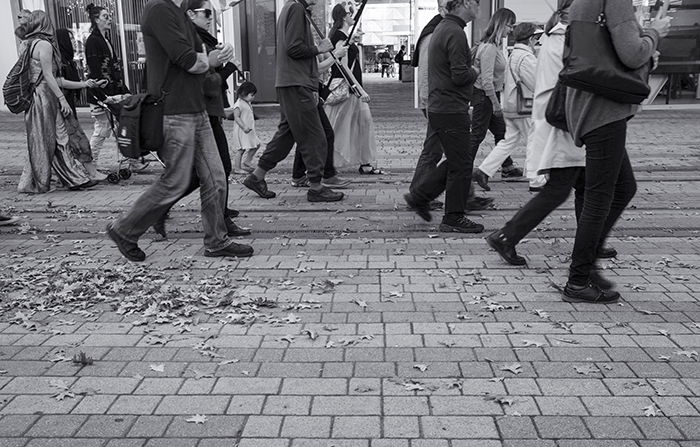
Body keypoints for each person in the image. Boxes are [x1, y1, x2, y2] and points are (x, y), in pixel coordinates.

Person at [107, 0, 253, 261]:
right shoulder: (159, 10)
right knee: (176, 181)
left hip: (196, 109)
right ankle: (125, 229)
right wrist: (212, 59)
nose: (208, 16)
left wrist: (214, 60)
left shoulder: (177, 13)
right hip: (174, 111)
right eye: (206, 13)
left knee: (217, 178)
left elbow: (199, 62)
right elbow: (187, 60)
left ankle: (216, 241)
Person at [486, 0, 619, 269]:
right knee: (559, 190)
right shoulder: (562, 38)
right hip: (565, 123)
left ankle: (590, 241)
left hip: (568, 123)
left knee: (580, 186)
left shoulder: (562, 36)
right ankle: (506, 235)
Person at [561, 0, 670, 303]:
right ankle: (578, 279)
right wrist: (654, 33)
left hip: (589, 104)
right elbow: (632, 53)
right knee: (600, 197)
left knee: (624, 187)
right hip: (603, 109)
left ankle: (589, 264)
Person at [152, 0, 249, 239]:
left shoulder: (202, 37)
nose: (210, 17)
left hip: (204, 110)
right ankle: (217, 228)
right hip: (199, 111)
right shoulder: (192, 38)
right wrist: (228, 65)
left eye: (211, 13)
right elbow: (205, 80)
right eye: (206, 12)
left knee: (203, 173)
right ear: (190, 14)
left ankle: (214, 221)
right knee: (218, 169)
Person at [242, 0, 345, 202]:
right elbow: (294, 48)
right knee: (316, 136)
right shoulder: (296, 8)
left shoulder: (291, 7)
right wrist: (319, 48)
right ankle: (316, 187)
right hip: (297, 84)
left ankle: (257, 176)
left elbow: (292, 48)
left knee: (286, 135)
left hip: (292, 83)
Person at [404, 0, 483, 233]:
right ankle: (453, 217)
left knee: (457, 159)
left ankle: (420, 195)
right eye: (476, 3)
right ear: (465, 3)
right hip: (451, 107)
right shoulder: (455, 32)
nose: (478, 7)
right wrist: (475, 70)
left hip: (442, 105)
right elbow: (459, 75)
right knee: (462, 164)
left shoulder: (443, 28)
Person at [17, 11, 99, 194]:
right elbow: (49, 76)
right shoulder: (44, 45)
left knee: (43, 139)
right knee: (52, 138)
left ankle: (71, 178)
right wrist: (62, 99)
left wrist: (83, 84)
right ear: (45, 24)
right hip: (45, 97)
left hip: (35, 97)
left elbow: (43, 77)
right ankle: (62, 179)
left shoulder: (25, 44)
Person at [472, 23, 545, 192]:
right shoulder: (526, 57)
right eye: (536, 38)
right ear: (531, 39)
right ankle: (536, 180)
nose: (538, 42)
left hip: (513, 106)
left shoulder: (514, 54)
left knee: (508, 141)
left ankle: (484, 171)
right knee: (535, 141)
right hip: (526, 107)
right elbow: (537, 83)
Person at [324, 3, 381, 175]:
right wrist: (360, 90)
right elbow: (344, 67)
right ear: (343, 16)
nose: (353, 16)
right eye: (350, 13)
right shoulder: (341, 36)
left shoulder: (335, 35)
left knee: (354, 124)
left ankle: (364, 163)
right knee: (343, 126)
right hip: (347, 89)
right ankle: (326, 163)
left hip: (346, 88)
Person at [84, 4, 139, 174]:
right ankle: (89, 164)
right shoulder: (93, 41)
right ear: (96, 19)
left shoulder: (105, 39)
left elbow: (113, 68)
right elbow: (96, 70)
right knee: (102, 129)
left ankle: (128, 161)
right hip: (101, 94)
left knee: (119, 127)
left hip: (111, 92)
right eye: (105, 16)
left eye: (109, 16)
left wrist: (123, 89)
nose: (110, 19)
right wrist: (104, 94)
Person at [290, 48, 351, 189]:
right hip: (306, 91)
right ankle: (327, 175)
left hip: (308, 90)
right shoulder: (301, 41)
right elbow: (315, 69)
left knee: (305, 135)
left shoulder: (306, 40)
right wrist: (335, 56)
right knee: (325, 133)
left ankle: (299, 175)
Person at [471, 8, 521, 179]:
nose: (511, 30)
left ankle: (507, 166)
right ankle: (460, 169)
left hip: (488, 96)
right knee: (477, 134)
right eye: (510, 25)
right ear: (500, 24)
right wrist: (495, 103)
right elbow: (486, 80)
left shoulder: (495, 46)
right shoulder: (490, 48)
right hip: (484, 96)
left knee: (502, 132)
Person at [56, 27, 108, 182]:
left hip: (68, 104)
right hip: (62, 106)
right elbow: (60, 82)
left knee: (69, 141)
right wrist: (84, 84)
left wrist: (88, 84)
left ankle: (73, 173)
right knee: (77, 139)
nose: (73, 41)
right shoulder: (59, 62)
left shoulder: (68, 60)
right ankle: (90, 172)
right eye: (70, 39)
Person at [230, 81, 261, 174]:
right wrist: (243, 127)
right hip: (242, 130)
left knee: (257, 144)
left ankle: (247, 161)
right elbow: (237, 117)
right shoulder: (238, 104)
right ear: (244, 94)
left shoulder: (247, 102)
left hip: (249, 130)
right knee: (241, 149)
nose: (253, 97)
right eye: (252, 95)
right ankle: (237, 168)